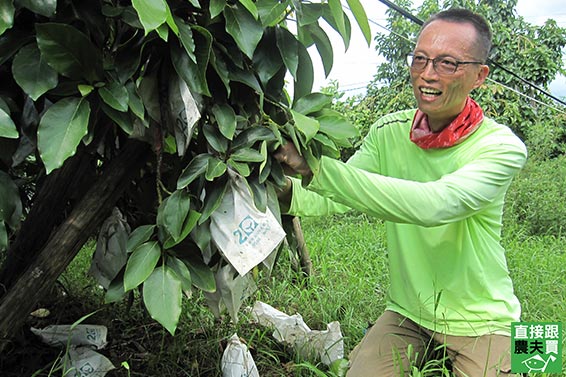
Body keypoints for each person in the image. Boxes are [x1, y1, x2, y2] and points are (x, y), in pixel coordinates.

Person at [274, 8, 527, 377]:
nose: (427, 74)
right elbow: (331, 193)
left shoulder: (502, 147)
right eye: (420, 59)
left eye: (447, 64)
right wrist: (281, 189)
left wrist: (316, 166)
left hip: (488, 320)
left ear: (479, 76)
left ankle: (532, 344)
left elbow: (435, 204)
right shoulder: (389, 132)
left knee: (538, 360)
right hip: (409, 312)